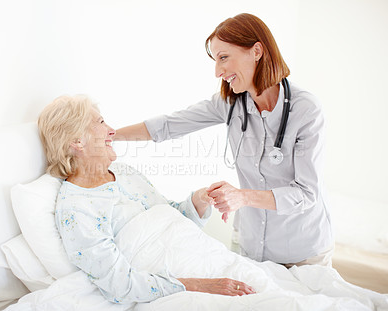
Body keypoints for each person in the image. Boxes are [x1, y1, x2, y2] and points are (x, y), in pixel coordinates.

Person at [113, 13, 334, 268]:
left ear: (257, 51)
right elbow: (169, 125)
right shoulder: (230, 104)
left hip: (303, 251)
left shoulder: (306, 110)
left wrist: (242, 197)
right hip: (252, 248)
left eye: (223, 57)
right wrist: (111, 135)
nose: (218, 71)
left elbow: (306, 193)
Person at [37, 95, 255, 305]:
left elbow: (172, 220)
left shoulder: (124, 172)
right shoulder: (76, 208)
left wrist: (200, 199)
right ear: (77, 141)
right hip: (180, 284)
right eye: (101, 122)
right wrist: (202, 285)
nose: (112, 131)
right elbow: (119, 284)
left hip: (210, 260)